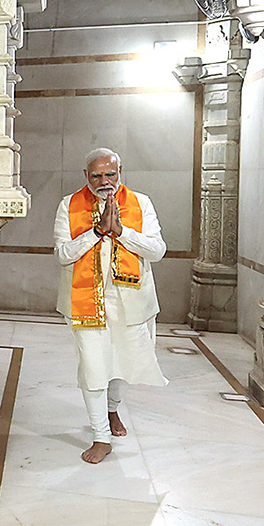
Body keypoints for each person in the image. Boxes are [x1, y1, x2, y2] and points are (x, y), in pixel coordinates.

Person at [53, 148, 167, 464]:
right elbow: (62, 254)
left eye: (110, 174)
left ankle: (113, 408)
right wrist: (96, 231)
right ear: (85, 176)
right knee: (93, 366)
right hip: (84, 299)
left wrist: (120, 231)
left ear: (120, 172)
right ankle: (101, 436)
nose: (104, 181)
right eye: (96, 175)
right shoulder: (69, 205)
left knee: (126, 363)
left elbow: (157, 250)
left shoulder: (141, 203)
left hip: (131, 300)